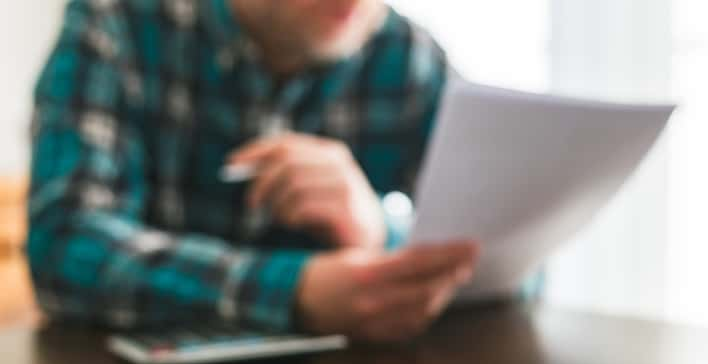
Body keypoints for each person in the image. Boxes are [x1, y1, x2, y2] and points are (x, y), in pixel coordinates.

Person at [27, 0, 478, 342]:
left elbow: (508, 254)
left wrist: (379, 232)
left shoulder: (407, 56)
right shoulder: (118, 22)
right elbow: (63, 246)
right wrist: (297, 291)